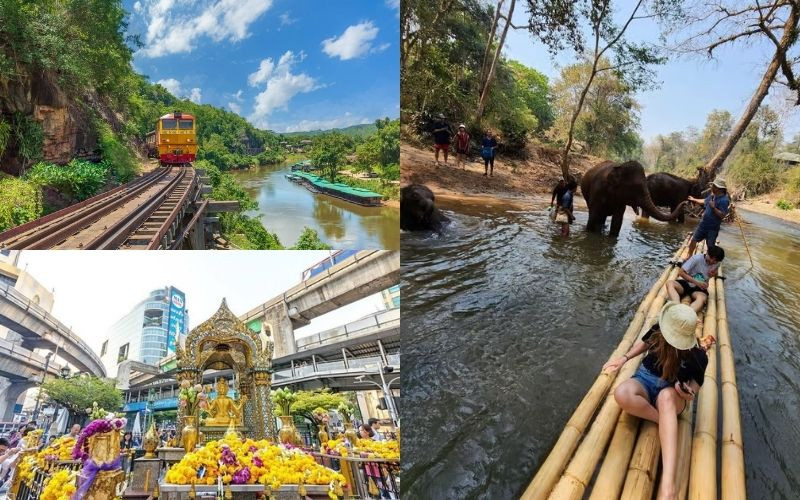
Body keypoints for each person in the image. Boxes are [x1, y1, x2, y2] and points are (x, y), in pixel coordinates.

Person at [603, 303, 712, 500]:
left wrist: (685, 392)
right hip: (645, 379)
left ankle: (668, 486)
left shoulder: (699, 357)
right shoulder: (658, 330)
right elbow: (644, 344)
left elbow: (693, 391)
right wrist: (624, 358)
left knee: (666, 397)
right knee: (622, 393)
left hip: (671, 395)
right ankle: (665, 423)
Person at [666, 245, 725, 313]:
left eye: (715, 260)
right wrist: (696, 282)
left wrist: (714, 274)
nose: (712, 261)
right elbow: (681, 272)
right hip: (687, 283)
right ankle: (676, 305)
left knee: (702, 298)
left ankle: (688, 314)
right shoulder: (696, 258)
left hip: (699, 289)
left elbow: (714, 272)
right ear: (707, 253)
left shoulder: (717, 263)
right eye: (711, 257)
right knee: (669, 283)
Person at [686, 179, 730, 255]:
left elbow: (722, 215)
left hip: (712, 228)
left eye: (713, 186)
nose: (711, 187)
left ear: (719, 188)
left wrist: (713, 208)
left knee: (710, 246)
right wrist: (694, 199)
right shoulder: (713, 196)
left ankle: (708, 260)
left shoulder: (724, 200)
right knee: (694, 240)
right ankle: (689, 256)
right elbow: (704, 201)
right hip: (703, 224)